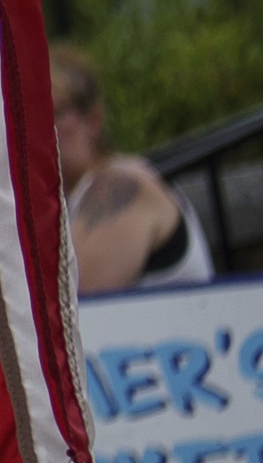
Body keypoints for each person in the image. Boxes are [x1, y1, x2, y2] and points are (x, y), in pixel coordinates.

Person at [61, 62, 203, 296]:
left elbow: (72, 306)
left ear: (93, 120)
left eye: (55, 112)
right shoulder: (73, 197)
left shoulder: (120, 184)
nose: (40, 126)